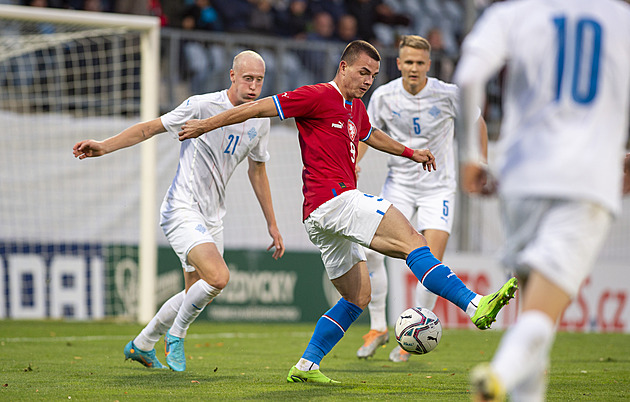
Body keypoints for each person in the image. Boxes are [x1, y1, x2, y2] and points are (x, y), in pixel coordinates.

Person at [178, 40, 517, 383]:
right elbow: (257, 108)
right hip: (335, 200)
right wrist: (207, 125)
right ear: (343, 68)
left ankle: (307, 365)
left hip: (319, 216)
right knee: (413, 241)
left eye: (373, 75)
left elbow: (371, 135)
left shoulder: (355, 108)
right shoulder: (317, 95)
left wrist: (410, 153)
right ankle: (475, 305)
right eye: (363, 72)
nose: (368, 80)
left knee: (358, 297)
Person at [454, 1, 630, 400]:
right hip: (586, 180)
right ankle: (496, 377)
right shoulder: (621, 18)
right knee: (541, 314)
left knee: (532, 308)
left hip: (520, 178)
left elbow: (468, 78)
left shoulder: (513, 13)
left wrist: (470, 158)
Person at [72, 50, 285, 372]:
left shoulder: (260, 120)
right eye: (247, 78)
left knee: (196, 292)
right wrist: (104, 145)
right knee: (219, 277)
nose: (254, 86)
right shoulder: (201, 105)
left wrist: (272, 224)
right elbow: (149, 129)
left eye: (259, 80)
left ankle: (142, 344)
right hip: (181, 208)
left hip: (214, 216)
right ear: (232, 76)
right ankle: (176, 335)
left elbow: (257, 171)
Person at [355, 34, 489, 363]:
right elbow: (366, 133)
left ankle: (412, 335)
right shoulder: (384, 96)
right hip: (398, 183)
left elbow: (478, 123)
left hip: (438, 187)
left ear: (428, 65)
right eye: (408, 62)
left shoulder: (449, 94)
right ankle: (377, 327)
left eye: (419, 63)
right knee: (372, 250)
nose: (413, 68)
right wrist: (354, 162)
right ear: (398, 64)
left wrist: (481, 164)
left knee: (430, 260)